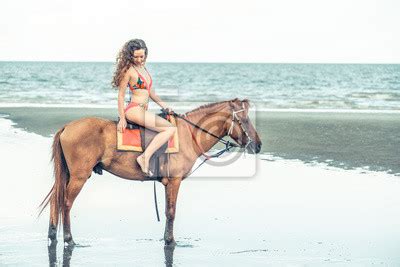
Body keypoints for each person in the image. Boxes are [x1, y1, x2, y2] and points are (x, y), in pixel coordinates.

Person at [112, 39, 176, 176]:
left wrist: (164, 106)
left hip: (142, 110)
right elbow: (121, 96)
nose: (139, 59)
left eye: (142, 56)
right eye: (136, 57)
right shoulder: (129, 71)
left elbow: (150, 92)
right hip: (134, 109)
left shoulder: (143, 69)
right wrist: (122, 118)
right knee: (170, 128)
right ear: (130, 55)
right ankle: (144, 157)